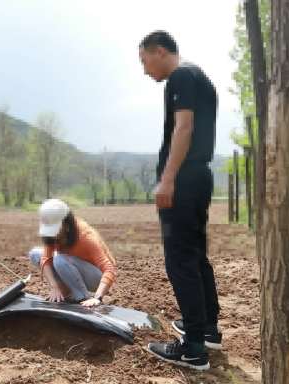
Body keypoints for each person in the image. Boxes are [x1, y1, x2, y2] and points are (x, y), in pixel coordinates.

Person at [139, 30, 221, 371]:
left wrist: (167, 179)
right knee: (194, 255)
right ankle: (206, 329)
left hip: (184, 180)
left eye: (144, 61)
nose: (145, 71)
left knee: (179, 260)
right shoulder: (196, 75)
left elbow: (183, 128)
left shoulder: (181, 76)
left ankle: (192, 349)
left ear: (160, 51)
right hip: (197, 177)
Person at [28, 199, 117, 307]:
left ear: (66, 225)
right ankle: (65, 291)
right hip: (70, 267)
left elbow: (109, 269)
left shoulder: (85, 237)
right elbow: (45, 259)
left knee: (60, 260)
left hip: (95, 276)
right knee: (35, 254)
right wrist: (54, 287)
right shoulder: (51, 236)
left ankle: (82, 297)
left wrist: (98, 297)